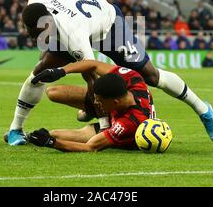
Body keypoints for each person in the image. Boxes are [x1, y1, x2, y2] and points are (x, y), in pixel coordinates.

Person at [1, 0, 213, 145]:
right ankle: (16, 129)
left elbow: (91, 74)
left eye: (38, 34)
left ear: (48, 24)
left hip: (108, 24)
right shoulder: (37, 6)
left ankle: (203, 110)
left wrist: (105, 127)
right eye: (30, 32)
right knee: (40, 71)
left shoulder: (73, 34)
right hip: (81, 22)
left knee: (150, 76)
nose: (34, 38)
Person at [15, 60, 155, 152]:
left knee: (56, 134)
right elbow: (93, 64)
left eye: (99, 100)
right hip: (113, 110)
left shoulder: (128, 123)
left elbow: (90, 146)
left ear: (115, 102)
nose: (96, 102)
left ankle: (27, 136)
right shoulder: (133, 78)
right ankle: (86, 113)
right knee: (53, 92)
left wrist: (51, 142)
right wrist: (60, 71)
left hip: (116, 125)